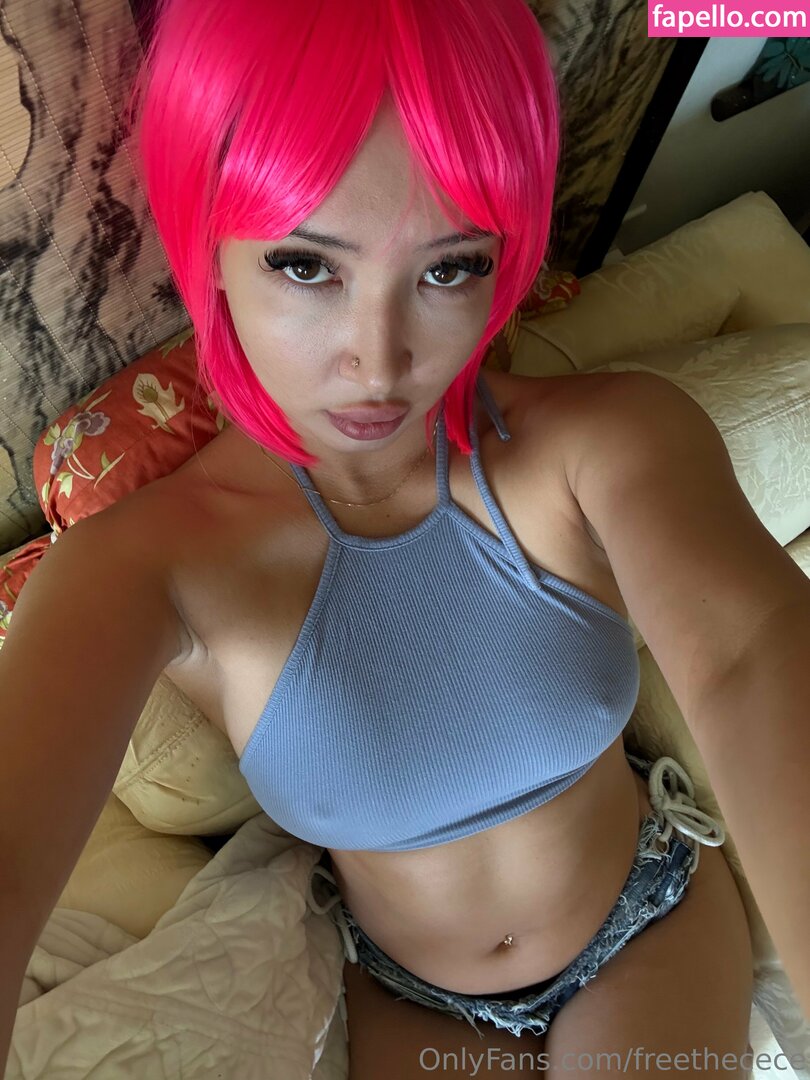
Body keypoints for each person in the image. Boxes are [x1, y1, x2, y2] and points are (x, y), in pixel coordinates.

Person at [7, 0, 809, 1074]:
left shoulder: (607, 443)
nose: (378, 360)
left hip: (645, 929)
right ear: (209, 244)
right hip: (411, 997)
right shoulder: (139, 567)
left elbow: (753, 656)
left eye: (449, 267)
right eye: (306, 265)